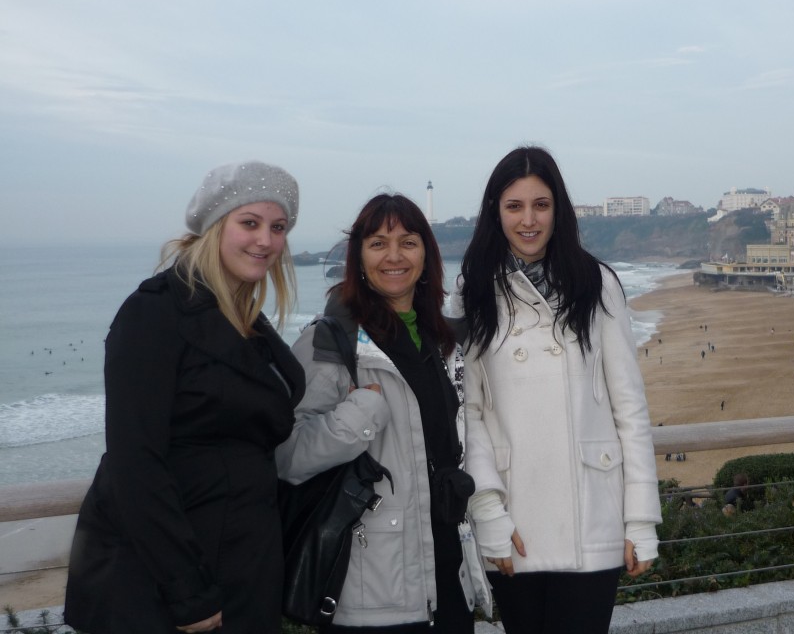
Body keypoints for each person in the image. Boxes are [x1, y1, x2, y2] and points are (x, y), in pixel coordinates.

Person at [64, 161, 305, 633]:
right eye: (249, 223)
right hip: (164, 581)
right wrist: (188, 591)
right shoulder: (153, 314)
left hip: (242, 564)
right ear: (215, 226)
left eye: (278, 228)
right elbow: (136, 462)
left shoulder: (246, 321)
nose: (266, 241)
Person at [455, 146, 661, 634]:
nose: (529, 220)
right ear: (496, 212)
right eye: (514, 206)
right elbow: (469, 411)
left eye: (541, 205)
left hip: (592, 511)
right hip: (515, 517)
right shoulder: (474, 290)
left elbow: (629, 408)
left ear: (558, 209)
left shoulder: (597, 283)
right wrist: (488, 512)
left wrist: (641, 522)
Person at [276, 194, 482, 633]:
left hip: (445, 570)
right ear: (359, 257)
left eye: (408, 242)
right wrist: (360, 413)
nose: (393, 256)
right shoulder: (331, 342)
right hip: (372, 583)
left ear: (426, 254)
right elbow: (287, 456)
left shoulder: (441, 340)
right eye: (377, 243)